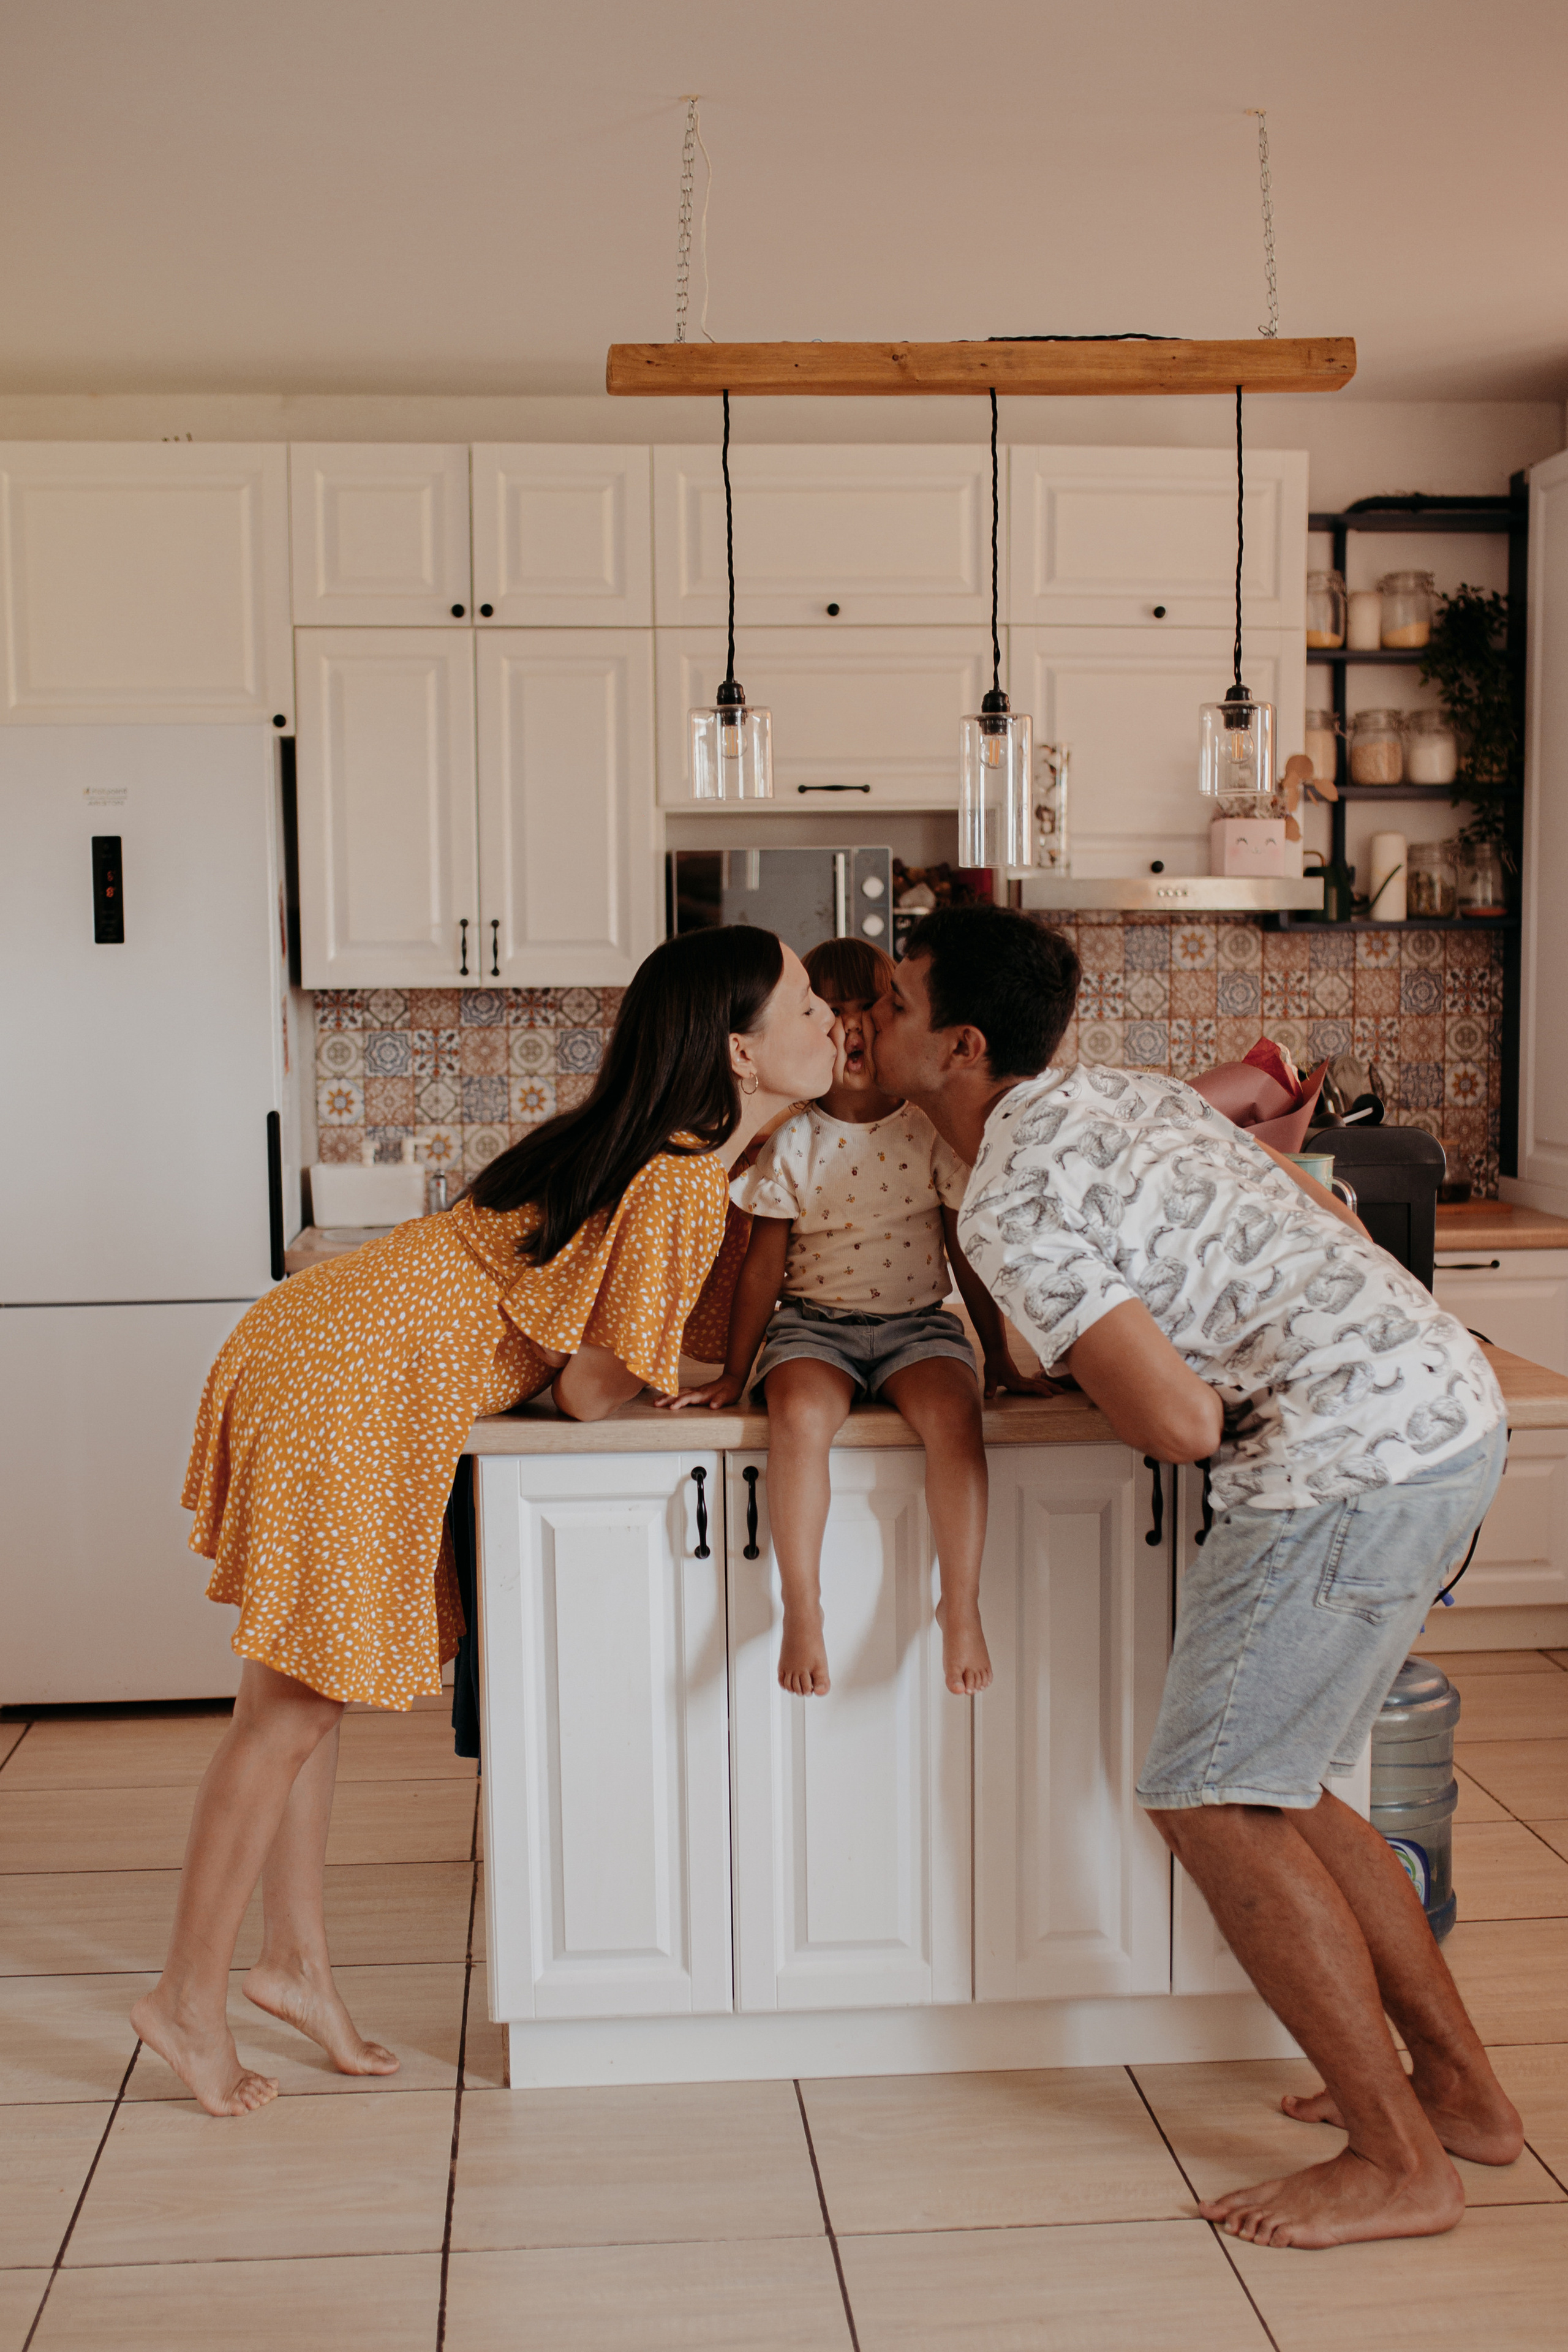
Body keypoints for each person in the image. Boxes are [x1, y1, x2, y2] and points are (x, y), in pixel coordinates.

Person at [870, 904, 1519, 2253]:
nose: (865, 1021)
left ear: (958, 1046)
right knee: (1292, 1786)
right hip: (1440, 1403)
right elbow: (1300, 1200)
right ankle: (1458, 2100)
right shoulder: (1112, 1093)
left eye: (888, 1000)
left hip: (1347, 1459)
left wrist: (1148, 1375)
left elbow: (1172, 1425)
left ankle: (1396, 2162)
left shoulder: (1007, 1191)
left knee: (1208, 1791)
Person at [132, 929, 837, 2117]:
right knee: (286, 1713)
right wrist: (663, 1384)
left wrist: (655, 1370)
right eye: (809, 1005)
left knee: (310, 1691)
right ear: (740, 1051)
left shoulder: (673, 1154)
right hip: (346, 1378)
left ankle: (291, 1966)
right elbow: (583, 1385)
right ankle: (184, 2004)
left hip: (335, 1352)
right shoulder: (676, 1173)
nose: (829, 1020)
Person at [662, 935, 1053, 1698]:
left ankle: (961, 1605)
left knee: (954, 1415)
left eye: (867, 1008)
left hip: (918, 1326)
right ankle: (801, 1604)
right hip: (814, 1328)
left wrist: (1001, 1359)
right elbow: (761, 1270)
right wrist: (735, 1372)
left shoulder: (926, 1131)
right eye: (828, 1011)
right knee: (800, 1415)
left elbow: (964, 1251)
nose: (849, 1027)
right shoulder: (793, 1140)